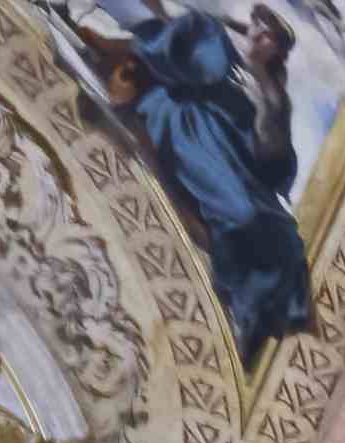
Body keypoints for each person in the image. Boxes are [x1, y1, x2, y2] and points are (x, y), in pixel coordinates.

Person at [68, 0, 313, 357]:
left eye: (271, 36)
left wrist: (265, 102)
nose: (261, 36)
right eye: (261, 25)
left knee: (278, 232)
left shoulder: (269, 88)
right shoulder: (211, 33)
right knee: (240, 213)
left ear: (277, 50)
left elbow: (272, 157)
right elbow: (161, 48)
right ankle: (244, 300)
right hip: (185, 123)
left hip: (227, 148)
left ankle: (255, 315)